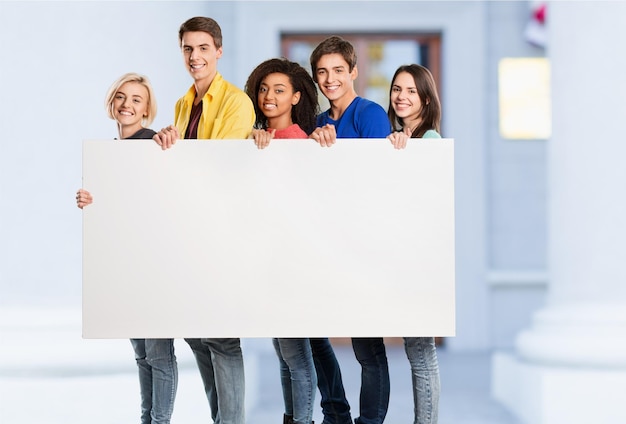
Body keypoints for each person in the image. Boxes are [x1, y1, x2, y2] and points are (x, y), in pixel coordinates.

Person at [151, 16, 255, 424]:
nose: (195, 57)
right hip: (189, 231)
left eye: (203, 48)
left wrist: (180, 159)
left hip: (222, 230)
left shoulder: (236, 102)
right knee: (196, 332)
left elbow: (219, 166)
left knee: (223, 338)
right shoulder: (182, 104)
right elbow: (176, 167)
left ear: (219, 51)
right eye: (188, 49)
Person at [76, 72, 179, 424]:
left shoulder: (155, 146)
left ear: (147, 108)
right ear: (111, 103)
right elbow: (120, 208)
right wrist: (92, 200)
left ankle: (158, 421)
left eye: (136, 99)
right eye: (121, 97)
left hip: (154, 266)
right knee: (142, 354)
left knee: (159, 353)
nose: (127, 105)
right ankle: (148, 419)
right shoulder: (111, 155)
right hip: (127, 267)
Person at [307, 35, 391, 424]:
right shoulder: (317, 123)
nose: (330, 79)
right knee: (311, 334)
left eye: (338, 70)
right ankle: (336, 412)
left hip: (364, 245)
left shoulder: (369, 113)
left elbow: (375, 178)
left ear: (353, 71)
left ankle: (369, 422)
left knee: (366, 346)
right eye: (322, 72)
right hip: (326, 246)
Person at [244, 57, 320, 424]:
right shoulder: (260, 139)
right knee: (283, 351)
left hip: (291, 259)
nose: (268, 96)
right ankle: (292, 417)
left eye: (278, 90)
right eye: (263, 89)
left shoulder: (296, 140)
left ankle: (300, 419)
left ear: (294, 98)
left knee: (295, 354)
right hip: (268, 257)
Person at [386, 64, 442, 424]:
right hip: (403, 259)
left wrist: (403, 157)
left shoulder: (429, 140)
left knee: (422, 351)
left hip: (422, 261)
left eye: (410, 91)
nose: (402, 97)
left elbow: (425, 199)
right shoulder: (397, 137)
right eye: (396, 89)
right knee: (415, 348)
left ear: (425, 98)